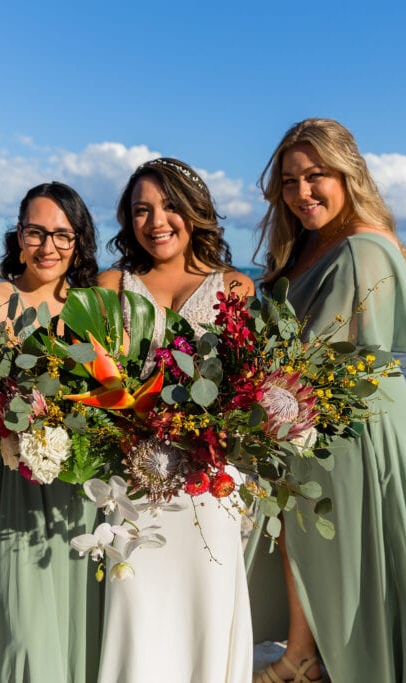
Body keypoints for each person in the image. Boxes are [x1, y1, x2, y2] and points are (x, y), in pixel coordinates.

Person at [247, 118, 406, 682]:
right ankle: (303, 657)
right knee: (303, 537)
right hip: (310, 415)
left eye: (316, 175)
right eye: (290, 182)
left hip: (355, 424)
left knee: (343, 554)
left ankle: (331, 663)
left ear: (348, 173)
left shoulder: (362, 247)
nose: (302, 193)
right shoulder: (310, 245)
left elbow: (329, 355)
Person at [95, 157, 255, 683]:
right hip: (133, 479)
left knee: (207, 607)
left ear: (195, 213)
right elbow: (97, 380)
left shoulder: (235, 287)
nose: (156, 221)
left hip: (210, 481)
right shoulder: (113, 283)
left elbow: (246, 387)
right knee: (135, 609)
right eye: (141, 210)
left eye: (169, 206)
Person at [0, 182, 104, 682]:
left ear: (80, 241)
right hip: (14, 479)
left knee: (84, 615)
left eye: (62, 235)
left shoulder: (97, 304)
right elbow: (12, 386)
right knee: (21, 625)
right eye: (35, 232)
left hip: (84, 485)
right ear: (17, 236)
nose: (48, 247)